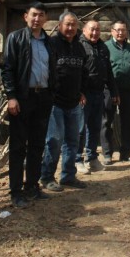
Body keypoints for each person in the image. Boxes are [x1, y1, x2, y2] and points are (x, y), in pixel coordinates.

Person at [2, 2, 55, 207]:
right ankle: (16, 192)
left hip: (43, 99)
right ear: (26, 17)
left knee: (37, 145)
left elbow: (52, 70)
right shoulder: (15, 38)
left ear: (45, 18)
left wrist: (52, 93)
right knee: (18, 146)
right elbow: (8, 70)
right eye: (33, 15)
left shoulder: (49, 42)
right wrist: (11, 97)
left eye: (41, 15)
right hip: (23, 99)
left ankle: (32, 186)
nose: (37, 19)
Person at [40, 12, 88, 191]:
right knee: (54, 140)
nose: (70, 28)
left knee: (72, 141)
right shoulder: (51, 44)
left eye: (73, 25)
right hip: (55, 103)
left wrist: (82, 91)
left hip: (74, 103)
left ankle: (68, 176)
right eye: (67, 25)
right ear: (60, 25)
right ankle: (46, 177)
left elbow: (84, 73)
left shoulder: (79, 47)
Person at [75, 20, 119, 174]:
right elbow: (76, 72)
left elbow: (109, 72)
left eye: (98, 30)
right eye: (92, 30)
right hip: (84, 95)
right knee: (80, 129)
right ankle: (77, 159)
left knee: (94, 127)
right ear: (84, 30)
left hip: (98, 93)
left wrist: (114, 92)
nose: (95, 33)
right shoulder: (78, 46)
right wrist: (79, 92)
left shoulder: (103, 47)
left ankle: (92, 158)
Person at [103, 20, 130, 164]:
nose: (120, 32)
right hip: (109, 90)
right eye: (118, 30)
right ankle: (107, 154)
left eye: (123, 30)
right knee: (106, 122)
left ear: (127, 32)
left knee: (127, 122)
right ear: (112, 31)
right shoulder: (105, 48)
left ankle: (126, 154)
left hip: (127, 90)